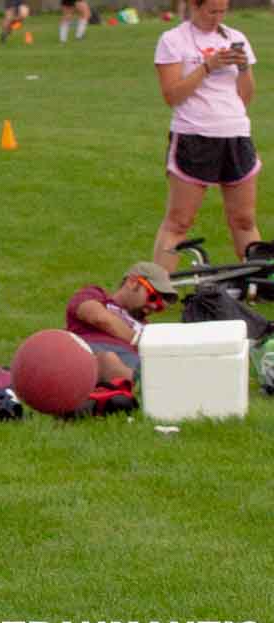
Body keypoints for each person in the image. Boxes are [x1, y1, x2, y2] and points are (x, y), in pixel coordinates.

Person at [153, 0, 259, 273]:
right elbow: (171, 95)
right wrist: (207, 67)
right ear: (193, 6)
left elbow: (245, 98)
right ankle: (159, 289)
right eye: (211, 11)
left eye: (222, 11)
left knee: (244, 219)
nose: (217, 17)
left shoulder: (236, 38)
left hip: (235, 134)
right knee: (179, 222)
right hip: (194, 135)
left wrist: (244, 67)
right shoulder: (173, 40)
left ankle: (257, 286)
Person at [65, 262, 178, 382]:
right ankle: (143, 388)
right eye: (153, 297)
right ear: (132, 282)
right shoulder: (95, 295)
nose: (154, 306)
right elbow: (98, 318)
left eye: (160, 305)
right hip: (89, 357)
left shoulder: (147, 328)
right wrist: (138, 340)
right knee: (108, 360)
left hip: (133, 365)